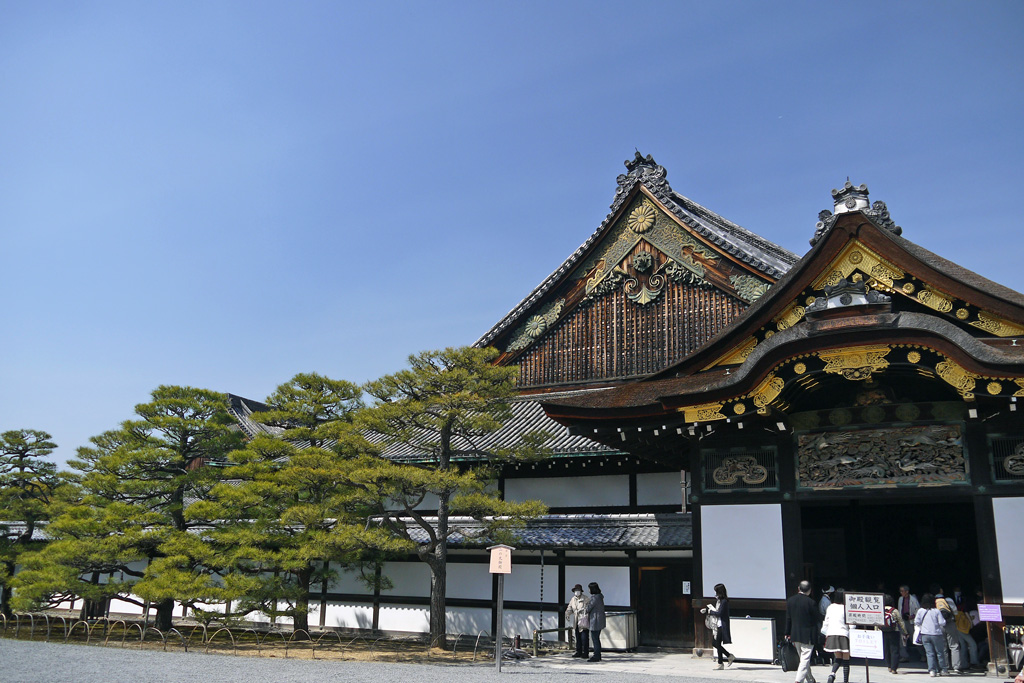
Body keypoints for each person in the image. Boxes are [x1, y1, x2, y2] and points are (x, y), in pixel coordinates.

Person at [786, 580, 822, 683]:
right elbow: (817, 619)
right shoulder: (811, 603)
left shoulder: (790, 600)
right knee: (805, 660)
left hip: (795, 634)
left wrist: (787, 633)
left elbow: (788, 618)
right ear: (810, 590)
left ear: (798, 588)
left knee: (803, 659)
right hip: (808, 635)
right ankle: (798, 680)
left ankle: (810, 679)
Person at [702, 583, 735, 670]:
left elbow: (719, 613)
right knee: (715, 643)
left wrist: (709, 612)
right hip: (717, 625)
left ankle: (720, 663)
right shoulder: (719, 601)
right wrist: (706, 610)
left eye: (716, 592)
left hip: (721, 625)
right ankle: (729, 656)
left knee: (716, 643)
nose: (715, 594)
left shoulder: (724, 601)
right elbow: (716, 611)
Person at [916, 593, 950, 677]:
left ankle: (932, 670)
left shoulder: (920, 611)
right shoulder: (936, 611)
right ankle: (943, 669)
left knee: (929, 653)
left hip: (925, 634)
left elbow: (917, 622)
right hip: (936, 634)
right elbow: (942, 622)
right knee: (940, 652)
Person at [933, 584, 964, 673]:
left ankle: (945, 666)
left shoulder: (932, 601)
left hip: (938, 625)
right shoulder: (948, 600)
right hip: (950, 623)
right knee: (954, 645)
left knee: (942, 646)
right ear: (941, 590)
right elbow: (955, 612)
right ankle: (956, 666)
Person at [822, 589, 851, 683]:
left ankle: (832, 674)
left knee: (838, 658)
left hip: (831, 634)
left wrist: (825, 632)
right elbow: (851, 624)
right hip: (843, 634)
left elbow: (826, 621)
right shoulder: (846, 608)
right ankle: (845, 681)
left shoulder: (830, 607)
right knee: (846, 659)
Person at [882, 593, 907, 674]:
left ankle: (889, 666)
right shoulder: (894, 611)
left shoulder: (881, 610)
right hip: (894, 631)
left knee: (886, 649)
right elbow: (901, 622)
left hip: (884, 631)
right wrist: (905, 632)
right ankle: (894, 668)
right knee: (895, 650)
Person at [564, 583, 589, 659]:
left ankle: (585, 652)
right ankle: (579, 651)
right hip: (576, 619)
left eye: (578, 590)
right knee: (577, 637)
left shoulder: (586, 598)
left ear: (581, 591)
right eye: (575, 590)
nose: (577, 592)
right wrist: (567, 614)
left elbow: (588, 608)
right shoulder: (573, 599)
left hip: (583, 619)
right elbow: (570, 608)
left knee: (584, 637)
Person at [897, 585, 921, 662]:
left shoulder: (913, 599)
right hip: (903, 621)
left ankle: (923, 654)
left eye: (902, 591)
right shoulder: (900, 599)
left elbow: (918, 609)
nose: (901, 593)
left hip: (911, 621)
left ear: (907, 591)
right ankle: (904, 656)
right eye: (900, 591)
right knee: (902, 639)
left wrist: (912, 616)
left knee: (915, 638)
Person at [585, 581, 605, 663]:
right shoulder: (600, 597)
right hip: (600, 620)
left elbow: (588, 608)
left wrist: (586, 605)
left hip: (595, 620)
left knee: (595, 639)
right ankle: (598, 654)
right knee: (597, 638)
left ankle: (596, 655)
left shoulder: (594, 598)